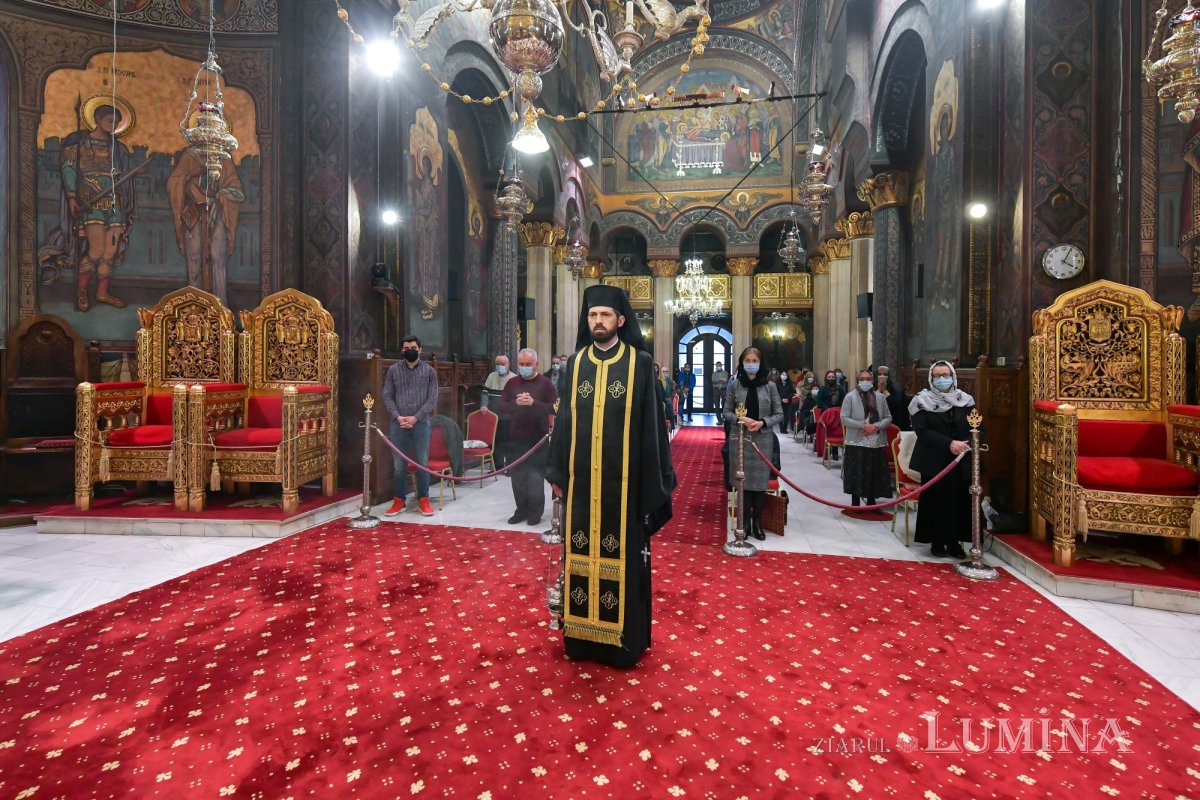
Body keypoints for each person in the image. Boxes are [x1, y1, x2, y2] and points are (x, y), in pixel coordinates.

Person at [546, 284, 676, 668]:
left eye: (604, 315)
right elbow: (564, 422)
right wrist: (556, 470)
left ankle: (624, 644)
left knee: (625, 558)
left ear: (620, 320)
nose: (597, 321)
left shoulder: (639, 363)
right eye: (592, 315)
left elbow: (652, 428)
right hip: (582, 483)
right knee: (580, 554)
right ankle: (582, 642)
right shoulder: (576, 363)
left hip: (626, 488)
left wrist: (652, 482)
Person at [43, 104, 136, 312]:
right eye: (109, 121)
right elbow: (68, 170)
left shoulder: (118, 149)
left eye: (116, 123)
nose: (112, 126)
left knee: (110, 251)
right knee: (96, 249)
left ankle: (102, 293)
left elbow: (123, 174)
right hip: (91, 202)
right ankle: (82, 291)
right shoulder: (80, 144)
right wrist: (72, 197)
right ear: (97, 119)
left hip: (114, 202)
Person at [908, 361, 976, 559]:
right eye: (937, 376)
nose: (942, 379)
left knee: (958, 500)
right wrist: (949, 443)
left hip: (961, 459)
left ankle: (954, 542)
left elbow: (977, 426)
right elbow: (922, 431)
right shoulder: (921, 400)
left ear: (953, 376)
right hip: (934, 459)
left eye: (945, 375)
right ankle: (937, 541)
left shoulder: (966, 400)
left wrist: (969, 442)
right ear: (931, 378)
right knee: (936, 501)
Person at [167, 147, 245, 303]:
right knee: (194, 256)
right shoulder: (190, 155)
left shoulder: (224, 158)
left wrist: (214, 194)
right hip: (193, 215)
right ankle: (195, 303)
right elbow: (174, 183)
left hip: (219, 214)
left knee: (218, 256)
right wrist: (192, 174)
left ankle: (220, 305)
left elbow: (237, 192)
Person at [723, 347, 783, 541]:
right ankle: (745, 522)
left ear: (760, 362)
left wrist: (762, 422)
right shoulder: (735, 385)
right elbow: (726, 412)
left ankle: (757, 522)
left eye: (754, 360)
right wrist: (743, 420)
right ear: (742, 363)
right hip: (740, 439)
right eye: (747, 360)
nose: (751, 363)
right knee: (743, 484)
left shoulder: (770, 386)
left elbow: (779, 414)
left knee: (759, 484)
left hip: (762, 439)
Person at [499, 348, 557, 526]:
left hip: (537, 439)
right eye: (521, 364)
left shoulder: (546, 384)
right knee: (517, 478)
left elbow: (555, 407)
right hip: (515, 437)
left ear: (536, 365)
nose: (524, 367)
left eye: (528, 365)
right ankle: (521, 510)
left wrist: (534, 403)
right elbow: (501, 406)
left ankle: (535, 513)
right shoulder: (512, 383)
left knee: (534, 478)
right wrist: (515, 404)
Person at [383, 335, 439, 517]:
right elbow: (387, 396)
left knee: (422, 462)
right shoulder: (393, 370)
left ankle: (423, 499)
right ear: (402, 350)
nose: (410, 350)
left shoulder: (429, 371)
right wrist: (398, 417)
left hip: (420, 423)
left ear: (420, 349)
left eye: (413, 347)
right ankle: (399, 500)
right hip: (398, 424)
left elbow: (432, 399)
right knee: (399, 465)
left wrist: (416, 417)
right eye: (406, 348)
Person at [840, 369, 893, 511]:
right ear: (858, 381)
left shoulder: (880, 397)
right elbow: (844, 418)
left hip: (876, 440)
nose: (865, 381)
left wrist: (876, 426)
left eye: (868, 378)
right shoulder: (850, 397)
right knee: (857, 470)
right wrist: (863, 425)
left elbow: (888, 417)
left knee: (873, 471)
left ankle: (871, 502)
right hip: (857, 440)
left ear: (872, 380)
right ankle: (855, 502)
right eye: (862, 378)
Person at [483, 355, 515, 465]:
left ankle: (510, 467)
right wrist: (484, 405)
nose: (500, 366)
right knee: (496, 441)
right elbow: (485, 393)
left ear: (508, 364)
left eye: (502, 364)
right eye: (498, 364)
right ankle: (497, 467)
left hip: (509, 417)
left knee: (510, 441)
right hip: (494, 416)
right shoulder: (491, 376)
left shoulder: (514, 378)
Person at [875, 365, 910, 430]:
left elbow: (896, 404)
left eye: (885, 374)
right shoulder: (873, 386)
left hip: (894, 421)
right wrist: (879, 390)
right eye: (880, 374)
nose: (882, 376)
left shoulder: (896, 388)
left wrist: (885, 391)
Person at [775, 369, 795, 434]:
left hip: (788, 402)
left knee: (786, 415)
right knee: (780, 415)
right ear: (780, 375)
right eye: (783, 374)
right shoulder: (777, 383)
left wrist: (788, 399)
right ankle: (781, 428)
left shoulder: (789, 383)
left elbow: (791, 392)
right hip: (779, 401)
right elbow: (776, 393)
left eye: (785, 375)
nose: (784, 375)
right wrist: (781, 399)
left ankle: (785, 429)